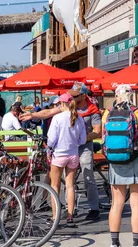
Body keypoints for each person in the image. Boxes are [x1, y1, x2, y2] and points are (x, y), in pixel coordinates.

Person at [21, 82, 102, 221]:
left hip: (83, 145)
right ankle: (68, 210)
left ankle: (94, 208)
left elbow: (98, 131)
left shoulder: (92, 109)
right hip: (71, 148)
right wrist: (33, 115)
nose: (72, 97)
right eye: (71, 95)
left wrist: (78, 139)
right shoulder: (68, 104)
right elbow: (49, 112)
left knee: (88, 174)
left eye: (75, 96)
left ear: (83, 96)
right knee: (68, 182)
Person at [103, 85, 138, 247]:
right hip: (135, 160)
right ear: (132, 96)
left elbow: (105, 139)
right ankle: (137, 246)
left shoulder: (107, 114)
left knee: (117, 203)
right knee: (136, 203)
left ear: (116, 96)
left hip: (115, 162)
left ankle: (114, 245)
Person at [47, 93, 87, 227]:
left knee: (55, 186)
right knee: (70, 186)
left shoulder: (57, 118)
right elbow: (83, 140)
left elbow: (52, 139)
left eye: (58, 104)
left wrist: (49, 149)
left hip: (59, 154)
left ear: (62, 104)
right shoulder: (79, 118)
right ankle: (70, 216)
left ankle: (55, 216)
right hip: (73, 155)